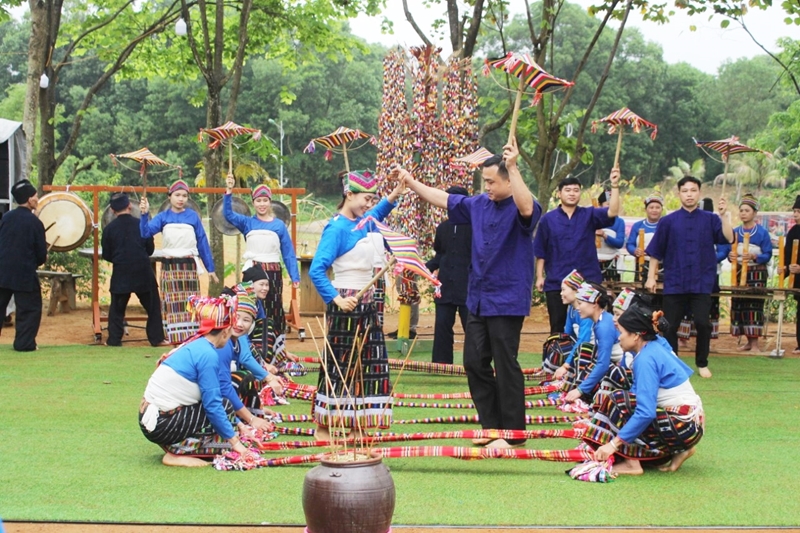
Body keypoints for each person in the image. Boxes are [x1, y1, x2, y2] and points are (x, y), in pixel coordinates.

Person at [401, 139, 543, 449]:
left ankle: (513, 434)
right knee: (474, 362)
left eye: (492, 182)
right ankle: (491, 427)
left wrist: (514, 167)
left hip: (507, 299)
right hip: (477, 297)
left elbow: (527, 208)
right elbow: (444, 199)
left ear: (508, 180)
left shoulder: (521, 203)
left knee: (505, 364)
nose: (486, 187)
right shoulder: (478, 205)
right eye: (484, 181)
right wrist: (412, 183)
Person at [309, 169, 405, 441]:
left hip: (367, 302)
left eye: (372, 199)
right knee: (340, 364)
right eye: (366, 198)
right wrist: (337, 299)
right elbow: (317, 269)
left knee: (368, 364)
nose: (369, 204)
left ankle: (357, 427)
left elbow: (378, 213)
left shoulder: (365, 221)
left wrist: (395, 194)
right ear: (349, 194)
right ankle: (324, 428)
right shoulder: (336, 228)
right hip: (345, 301)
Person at [584, 302, 704, 476]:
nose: (619, 338)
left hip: (682, 424)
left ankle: (632, 464)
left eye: (622, 332)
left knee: (618, 401)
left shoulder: (646, 358)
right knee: (624, 392)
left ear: (635, 336)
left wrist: (613, 444)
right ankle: (679, 449)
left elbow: (646, 412)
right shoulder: (654, 346)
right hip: (690, 424)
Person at [139, 296, 254, 467]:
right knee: (224, 408)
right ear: (225, 331)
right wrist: (237, 444)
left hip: (154, 420)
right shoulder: (208, 355)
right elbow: (213, 405)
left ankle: (178, 447)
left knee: (222, 412)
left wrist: (240, 427)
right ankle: (177, 453)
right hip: (161, 424)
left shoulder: (197, 344)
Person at [645, 177, 733, 379]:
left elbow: (729, 238)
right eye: (685, 191)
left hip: (701, 281)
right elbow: (656, 252)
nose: (689, 194)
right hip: (675, 280)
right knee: (670, 326)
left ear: (699, 193)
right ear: (679, 194)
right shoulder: (668, 221)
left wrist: (724, 216)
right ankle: (672, 362)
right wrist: (651, 277)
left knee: (703, 323)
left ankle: (702, 363)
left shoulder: (711, 219)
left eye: (693, 190)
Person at [534, 171, 621, 334]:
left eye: (576, 190)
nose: (572, 193)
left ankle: (587, 351)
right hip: (557, 281)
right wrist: (540, 276)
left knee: (590, 326)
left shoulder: (589, 214)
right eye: (567, 190)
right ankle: (558, 351)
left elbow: (612, 212)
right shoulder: (548, 219)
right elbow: (541, 250)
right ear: (559, 193)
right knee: (557, 327)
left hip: (587, 280)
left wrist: (615, 185)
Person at [223, 177, 300, 361]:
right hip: (252, 273)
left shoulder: (278, 225)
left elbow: (288, 252)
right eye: (258, 200)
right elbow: (228, 215)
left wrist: (295, 276)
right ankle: (248, 349)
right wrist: (229, 191)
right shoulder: (247, 223)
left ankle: (279, 351)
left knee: (274, 309)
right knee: (250, 308)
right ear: (253, 202)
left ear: (270, 201)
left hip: (273, 273)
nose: (262, 204)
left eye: (265, 200)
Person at [140, 180, 218, 344]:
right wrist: (144, 214)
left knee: (190, 302)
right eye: (177, 195)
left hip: (188, 265)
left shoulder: (193, 216)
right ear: (169, 197)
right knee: (172, 303)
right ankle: (173, 337)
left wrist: (210, 268)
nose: (181, 199)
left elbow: (202, 242)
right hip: (170, 266)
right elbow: (145, 233)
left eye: (184, 196)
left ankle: (191, 336)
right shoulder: (163, 217)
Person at [101, 193, 168, 347]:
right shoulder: (141, 225)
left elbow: (107, 254)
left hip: (121, 271)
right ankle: (157, 339)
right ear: (130, 206)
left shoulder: (109, 229)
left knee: (117, 309)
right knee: (152, 307)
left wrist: (120, 260)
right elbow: (150, 250)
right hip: (142, 270)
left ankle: (114, 340)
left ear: (112, 210)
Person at [216, 286, 283, 422]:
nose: (240, 324)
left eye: (246, 320)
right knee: (241, 377)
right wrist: (250, 420)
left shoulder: (234, 339)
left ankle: (250, 409)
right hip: (193, 402)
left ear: (252, 324)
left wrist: (256, 410)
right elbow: (222, 388)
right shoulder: (223, 343)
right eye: (237, 318)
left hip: (211, 394)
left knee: (244, 377)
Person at [425, 185, 472, 365]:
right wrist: (425, 267)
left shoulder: (475, 227)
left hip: (468, 287)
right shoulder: (443, 228)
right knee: (442, 326)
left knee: (472, 328)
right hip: (445, 286)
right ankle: (441, 363)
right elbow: (440, 255)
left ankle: (475, 364)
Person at [0, 179, 47, 352]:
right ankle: (24, 344)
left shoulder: (6, 218)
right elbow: (41, 254)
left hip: (2, 270)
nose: (37, 199)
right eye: (35, 196)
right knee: (29, 309)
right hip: (24, 272)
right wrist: (39, 260)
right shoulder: (35, 222)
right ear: (29, 199)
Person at [676, 198, 730, 346]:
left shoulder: (715, 224)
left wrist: (708, 259)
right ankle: (683, 338)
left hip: (710, 274)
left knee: (707, 306)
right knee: (686, 304)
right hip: (688, 273)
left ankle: (705, 340)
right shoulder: (688, 225)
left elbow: (724, 248)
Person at [562, 282, 621, 406]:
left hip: (625, 369)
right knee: (585, 351)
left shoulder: (604, 326)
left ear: (594, 303)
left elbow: (603, 364)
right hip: (618, 364)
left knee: (586, 353)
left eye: (580, 303)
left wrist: (580, 390)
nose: (577, 308)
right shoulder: (601, 320)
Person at [728, 194, 772, 352]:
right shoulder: (735, 232)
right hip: (739, 271)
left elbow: (768, 254)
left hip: (756, 273)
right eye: (741, 210)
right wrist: (731, 256)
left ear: (754, 213)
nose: (743, 213)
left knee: (754, 305)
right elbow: (729, 252)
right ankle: (747, 341)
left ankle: (755, 344)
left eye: (747, 210)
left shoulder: (762, 233)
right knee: (740, 305)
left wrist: (755, 257)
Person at [546, 270, 594, 377]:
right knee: (556, 343)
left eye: (563, 290)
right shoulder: (571, 309)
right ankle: (550, 371)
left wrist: (566, 365)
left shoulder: (586, 311)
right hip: (584, 350)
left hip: (592, 351)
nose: (561, 293)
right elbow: (567, 337)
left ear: (576, 291)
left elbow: (583, 341)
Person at [626, 193, 664, 293]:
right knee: (641, 292)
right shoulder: (637, 225)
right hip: (642, 265)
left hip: (662, 266)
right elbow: (630, 244)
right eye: (651, 207)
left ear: (662, 209)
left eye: (657, 207)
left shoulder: (666, 225)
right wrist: (635, 251)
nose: (654, 210)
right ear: (646, 209)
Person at [779, 195, 800, 354]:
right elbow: (787, 255)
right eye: (794, 211)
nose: (795, 214)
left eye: (798, 211)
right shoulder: (793, 231)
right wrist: (784, 269)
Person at [595, 189, 626, 283]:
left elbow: (620, 243)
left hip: (611, 261)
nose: (612, 207)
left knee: (612, 288)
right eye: (608, 204)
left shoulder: (619, 222)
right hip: (593, 261)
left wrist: (604, 235)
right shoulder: (593, 220)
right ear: (600, 205)